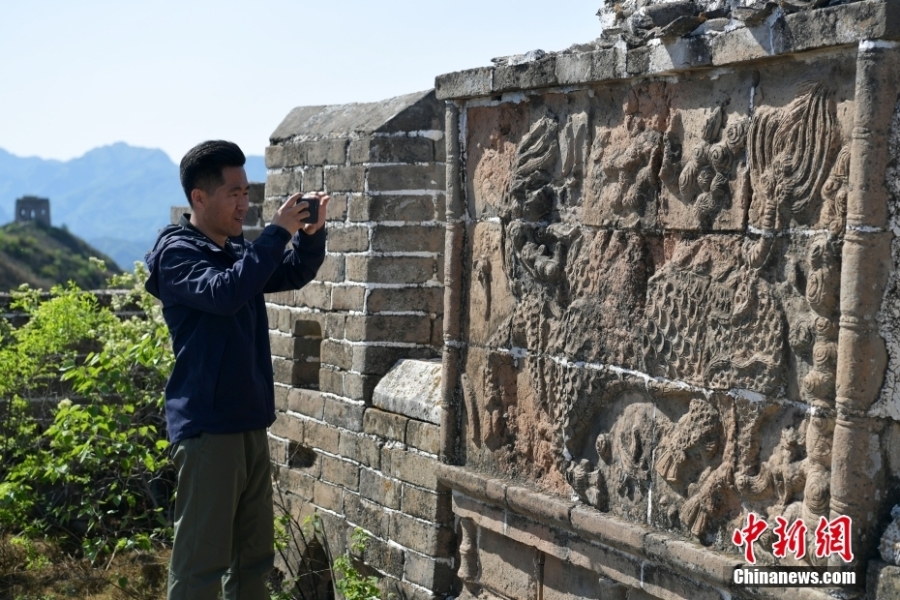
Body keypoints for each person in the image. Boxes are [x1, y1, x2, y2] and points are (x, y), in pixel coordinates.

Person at [144, 140, 327, 600]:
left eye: (247, 191)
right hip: (209, 429)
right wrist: (275, 233)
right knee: (200, 567)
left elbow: (288, 273)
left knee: (253, 562)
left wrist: (308, 235)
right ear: (199, 198)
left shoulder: (232, 249)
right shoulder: (178, 254)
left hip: (248, 422)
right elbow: (226, 293)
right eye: (233, 193)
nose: (244, 202)